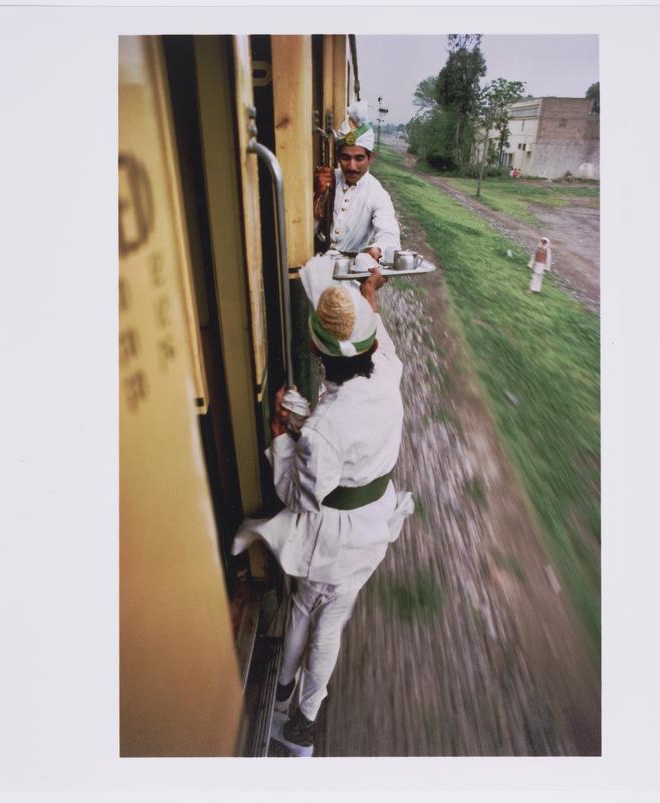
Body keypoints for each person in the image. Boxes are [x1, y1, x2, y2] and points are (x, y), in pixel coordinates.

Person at [232, 256, 413, 757]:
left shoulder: (322, 429)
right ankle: (304, 725)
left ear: (315, 349)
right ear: (371, 341)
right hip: (373, 525)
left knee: (302, 609)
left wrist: (282, 438)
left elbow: (300, 494)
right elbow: (371, 333)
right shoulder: (389, 369)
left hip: (332, 540)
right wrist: (368, 295)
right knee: (333, 621)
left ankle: (284, 690)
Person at [314, 100, 401, 262]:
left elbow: (390, 234)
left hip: (351, 273)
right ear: (338, 157)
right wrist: (318, 195)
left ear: (370, 158)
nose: (352, 166)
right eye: (346, 158)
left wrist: (378, 248)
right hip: (315, 264)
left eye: (359, 158)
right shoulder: (326, 179)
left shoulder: (377, 194)